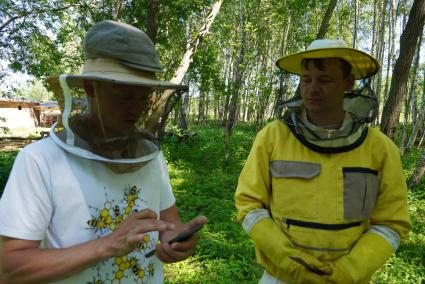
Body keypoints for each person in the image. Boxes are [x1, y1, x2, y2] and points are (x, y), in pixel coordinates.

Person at [0, 20, 207, 284]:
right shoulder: (40, 160)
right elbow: (9, 268)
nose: (136, 109)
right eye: (123, 95)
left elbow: (170, 224)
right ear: (90, 88)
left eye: (143, 97)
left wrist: (177, 242)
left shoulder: (150, 158)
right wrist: (108, 245)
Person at [234, 39, 412, 284]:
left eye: (325, 79)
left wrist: (348, 271)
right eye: (306, 79)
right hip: (282, 277)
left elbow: (391, 223)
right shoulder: (273, 136)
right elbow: (249, 205)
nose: (312, 88)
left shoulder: (380, 148)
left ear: (348, 83)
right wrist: (288, 260)